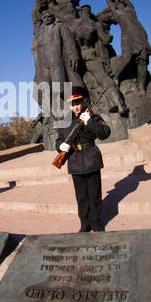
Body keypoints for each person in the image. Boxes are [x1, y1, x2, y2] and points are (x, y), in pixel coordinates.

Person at [55, 87, 111, 232]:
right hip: (75, 160)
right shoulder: (64, 121)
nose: (76, 107)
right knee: (81, 196)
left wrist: (90, 123)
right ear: (68, 105)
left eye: (78, 102)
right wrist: (60, 146)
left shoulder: (93, 117)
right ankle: (84, 223)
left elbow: (105, 133)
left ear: (83, 101)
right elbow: (59, 139)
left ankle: (96, 222)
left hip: (91, 158)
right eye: (72, 104)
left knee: (95, 194)